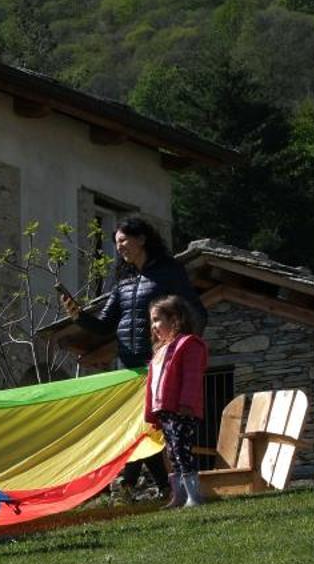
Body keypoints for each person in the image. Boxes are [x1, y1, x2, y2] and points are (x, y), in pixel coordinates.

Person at [60, 215, 207, 499]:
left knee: (152, 430)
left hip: (160, 366)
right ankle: (158, 487)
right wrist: (78, 315)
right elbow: (104, 325)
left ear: (142, 239)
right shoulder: (124, 283)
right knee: (141, 429)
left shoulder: (169, 272)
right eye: (117, 243)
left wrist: (183, 349)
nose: (120, 247)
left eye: (124, 240)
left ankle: (152, 487)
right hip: (130, 367)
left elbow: (195, 311)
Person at [146, 295, 210, 510]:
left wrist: (186, 404)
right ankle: (179, 496)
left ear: (175, 319)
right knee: (172, 453)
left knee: (183, 450)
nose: (153, 326)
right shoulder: (161, 350)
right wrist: (152, 413)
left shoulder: (189, 344)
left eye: (157, 319)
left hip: (181, 409)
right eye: (152, 321)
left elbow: (192, 377)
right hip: (165, 411)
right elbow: (152, 386)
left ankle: (194, 496)